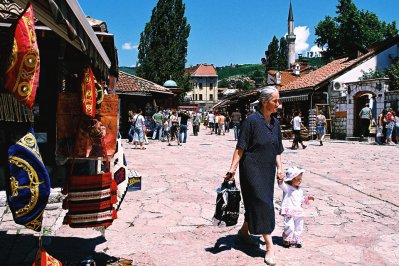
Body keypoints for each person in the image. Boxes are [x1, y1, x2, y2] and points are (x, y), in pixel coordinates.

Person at [225, 86, 284, 265]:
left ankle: (244, 232)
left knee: (256, 202)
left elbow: (277, 149)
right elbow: (240, 147)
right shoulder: (250, 121)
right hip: (251, 169)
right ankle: (269, 246)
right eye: (276, 101)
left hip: (267, 170)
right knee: (263, 203)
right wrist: (232, 169)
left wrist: (280, 168)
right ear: (265, 102)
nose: (279, 105)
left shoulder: (275, 123)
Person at [277, 167, 314, 248]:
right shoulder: (287, 188)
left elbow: (301, 199)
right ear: (291, 179)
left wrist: (307, 199)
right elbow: (281, 185)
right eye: (297, 179)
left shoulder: (300, 190)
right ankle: (287, 238)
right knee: (289, 225)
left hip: (298, 211)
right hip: (289, 210)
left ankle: (296, 238)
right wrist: (280, 180)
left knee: (299, 226)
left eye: (301, 179)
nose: (300, 180)